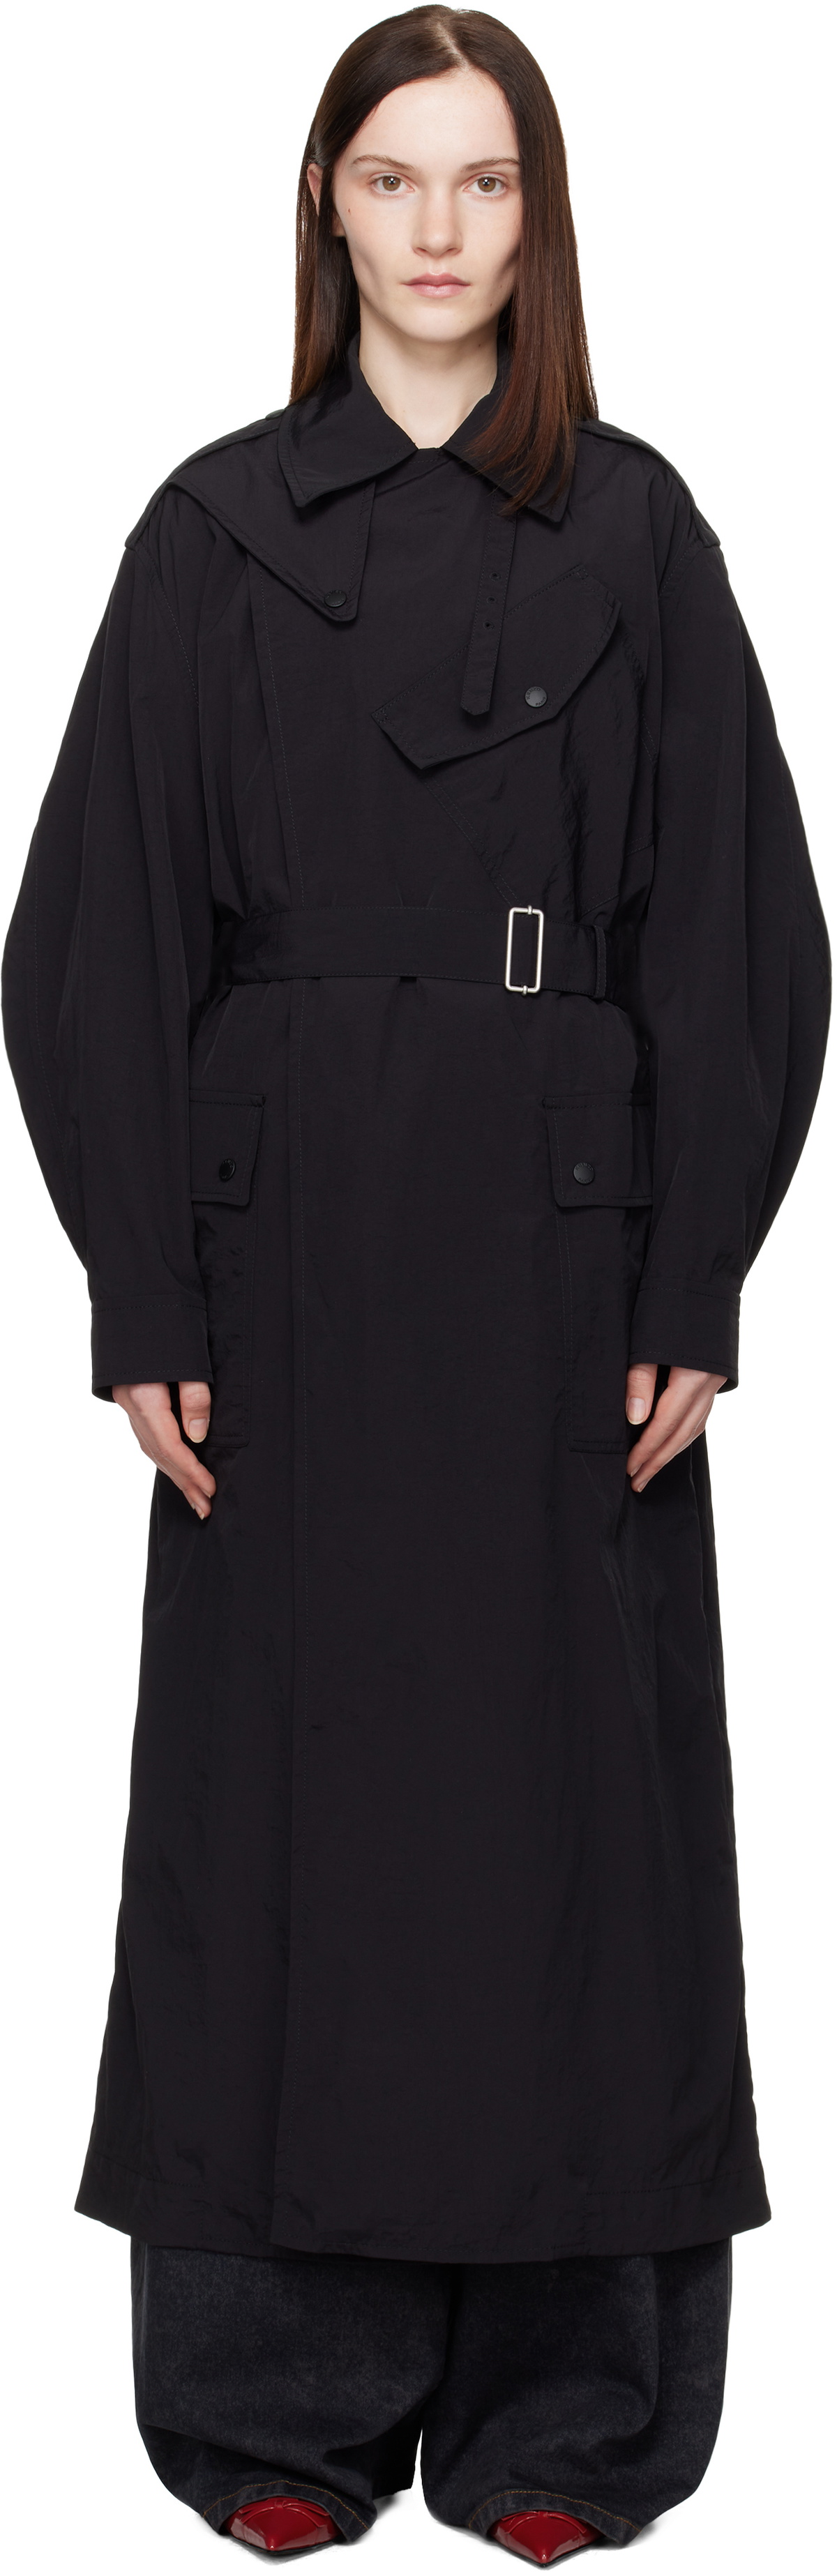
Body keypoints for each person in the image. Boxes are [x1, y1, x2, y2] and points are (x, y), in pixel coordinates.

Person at [3, 6, 829, 2565]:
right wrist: (147, 1297)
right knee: (281, 1811)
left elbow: (748, 933)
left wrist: (696, 1270)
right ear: (328, 207)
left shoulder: (640, 533)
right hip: (288, 1270)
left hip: (571, 1261)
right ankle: (279, 2404)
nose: (441, 228)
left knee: (586, 1822)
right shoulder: (210, 533)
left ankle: (571, 2421)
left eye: (486, 181)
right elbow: (90, 940)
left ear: (536, 216)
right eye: (396, 178)